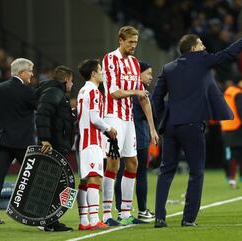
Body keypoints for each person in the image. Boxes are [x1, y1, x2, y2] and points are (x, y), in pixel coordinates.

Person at [152, 23, 242, 228]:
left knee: (166, 171)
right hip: (192, 126)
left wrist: (161, 120)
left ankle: (159, 218)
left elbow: (157, 97)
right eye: (201, 44)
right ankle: (188, 219)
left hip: (171, 126)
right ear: (193, 49)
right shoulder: (201, 60)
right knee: (196, 172)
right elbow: (228, 54)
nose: (204, 47)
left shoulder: (168, 68)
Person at [101, 26, 159, 226]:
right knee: (113, 163)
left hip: (128, 119)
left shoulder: (135, 63)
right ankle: (107, 214)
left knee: (133, 163)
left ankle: (125, 213)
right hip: (112, 117)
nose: (133, 46)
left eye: (135, 42)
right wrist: (136, 92)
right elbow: (114, 92)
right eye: (130, 42)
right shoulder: (110, 59)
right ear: (120, 40)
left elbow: (144, 98)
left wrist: (152, 128)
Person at [0, 58, 36, 224]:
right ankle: (33, 213)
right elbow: (41, 109)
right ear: (21, 73)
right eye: (30, 71)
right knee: (32, 178)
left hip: (2, 139)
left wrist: (0, 129)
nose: (32, 74)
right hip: (22, 143)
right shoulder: (28, 91)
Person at [76, 59, 117, 230]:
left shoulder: (82, 90)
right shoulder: (93, 92)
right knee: (95, 178)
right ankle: (94, 220)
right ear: (93, 73)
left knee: (85, 181)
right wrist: (109, 128)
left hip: (83, 141)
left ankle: (84, 221)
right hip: (91, 141)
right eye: (100, 69)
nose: (102, 72)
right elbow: (94, 119)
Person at [35, 65, 75, 232]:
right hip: (53, 146)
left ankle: (48, 220)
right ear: (66, 80)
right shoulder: (54, 92)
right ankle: (49, 222)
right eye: (72, 81)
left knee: (54, 183)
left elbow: (54, 116)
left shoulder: (54, 92)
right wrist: (45, 139)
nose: (72, 85)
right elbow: (43, 114)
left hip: (57, 144)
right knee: (54, 184)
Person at [115, 61, 155, 220]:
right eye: (148, 73)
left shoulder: (123, 91)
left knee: (121, 173)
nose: (151, 77)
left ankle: (121, 210)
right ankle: (142, 210)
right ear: (138, 74)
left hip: (124, 136)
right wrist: (152, 130)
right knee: (140, 174)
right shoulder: (140, 92)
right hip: (139, 137)